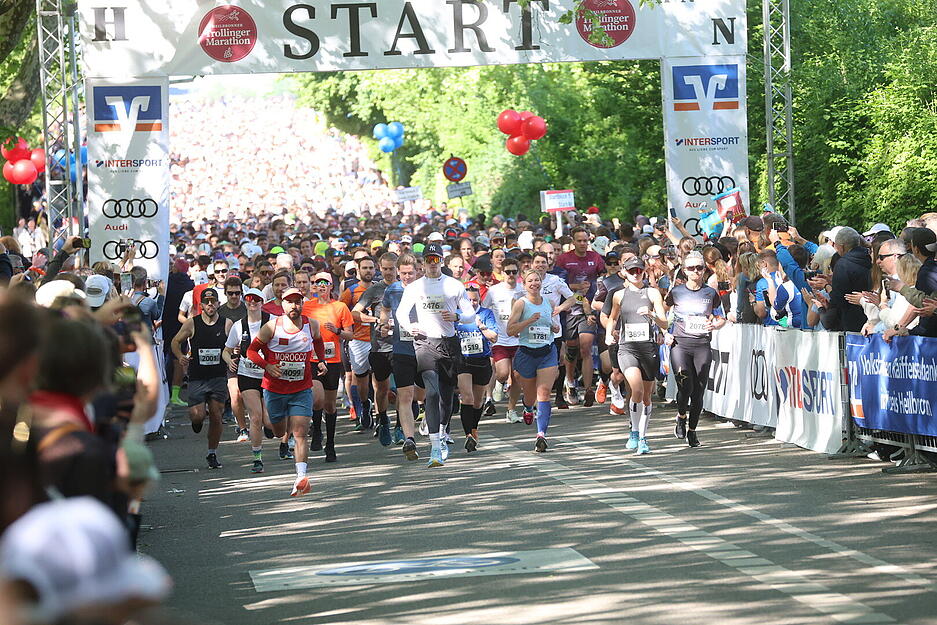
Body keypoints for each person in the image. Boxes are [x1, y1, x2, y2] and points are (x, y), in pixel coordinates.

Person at [395, 242, 475, 468]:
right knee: (431, 393)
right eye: (428, 260)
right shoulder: (415, 287)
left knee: (447, 398)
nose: (432, 264)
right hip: (424, 343)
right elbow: (401, 312)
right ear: (423, 263)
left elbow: (470, 313)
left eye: (436, 259)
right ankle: (434, 449)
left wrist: (457, 317)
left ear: (441, 261)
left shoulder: (454, 285)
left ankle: (441, 433)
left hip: (448, 343)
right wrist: (411, 327)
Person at [246, 287, 328, 496]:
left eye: (298, 301)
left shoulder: (312, 325)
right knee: (279, 431)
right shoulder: (272, 327)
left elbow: (318, 341)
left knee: (300, 432)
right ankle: (279, 430)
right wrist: (267, 366)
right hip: (275, 389)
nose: (294, 306)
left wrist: (320, 360)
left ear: (302, 303)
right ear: (282, 304)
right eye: (290, 302)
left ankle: (301, 477)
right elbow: (251, 351)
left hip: (301, 388)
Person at [606, 257, 669, 454]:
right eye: (631, 271)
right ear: (624, 272)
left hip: (648, 348)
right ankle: (635, 432)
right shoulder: (618, 295)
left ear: (643, 272)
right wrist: (609, 334)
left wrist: (652, 315)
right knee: (637, 391)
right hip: (628, 348)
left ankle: (643, 436)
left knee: (647, 397)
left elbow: (664, 323)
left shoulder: (652, 293)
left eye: (639, 271)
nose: (635, 274)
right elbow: (613, 318)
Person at [665, 251, 726, 447]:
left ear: (704, 270)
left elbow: (721, 317)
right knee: (685, 386)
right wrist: (666, 331)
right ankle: (681, 415)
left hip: (701, 345)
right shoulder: (676, 292)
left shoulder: (710, 293)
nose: (695, 272)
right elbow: (663, 313)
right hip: (680, 345)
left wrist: (716, 325)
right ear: (684, 271)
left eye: (699, 268)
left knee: (698, 391)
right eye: (691, 268)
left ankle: (692, 430)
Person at [507, 269, 564, 452]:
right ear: (524, 285)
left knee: (545, 393)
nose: (534, 283)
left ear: (542, 283)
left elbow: (551, 325)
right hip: (526, 354)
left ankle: (541, 435)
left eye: (537, 280)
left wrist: (554, 328)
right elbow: (510, 330)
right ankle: (528, 407)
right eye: (530, 281)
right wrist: (529, 321)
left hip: (547, 352)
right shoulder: (521, 304)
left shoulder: (550, 302)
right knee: (531, 397)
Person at [171, 288, 229, 469]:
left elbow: (234, 343)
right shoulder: (191, 323)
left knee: (216, 416)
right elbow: (175, 341)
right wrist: (180, 356)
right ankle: (196, 421)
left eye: (213, 301)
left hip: (218, 376)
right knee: (197, 416)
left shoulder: (227, 323)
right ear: (201, 305)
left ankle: (212, 453)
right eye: (207, 302)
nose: (210, 304)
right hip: (198, 377)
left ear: (219, 303)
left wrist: (235, 352)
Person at [302, 272, 354, 462]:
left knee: (330, 406)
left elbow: (350, 335)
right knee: (317, 400)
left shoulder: (340, 307)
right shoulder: (306, 306)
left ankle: (330, 445)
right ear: (313, 286)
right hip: (313, 359)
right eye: (317, 283)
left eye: (325, 283)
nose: (321, 286)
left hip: (332, 361)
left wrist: (337, 331)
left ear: (331, 286)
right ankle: (316, 430)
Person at [224, 287, 271, 473]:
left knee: (269, 421)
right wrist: (230, 362)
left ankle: (277, 433)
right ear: (245, 301)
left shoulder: (272, 322)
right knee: (256, 416)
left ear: (262, 302)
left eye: (256, 299)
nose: (252, 302)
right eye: (249, 298)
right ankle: (257, 457)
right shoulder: (238, 326)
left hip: (269, 375)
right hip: (247, 375)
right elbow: (226, 351)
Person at [555, 227, 604, 406]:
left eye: (585, 241)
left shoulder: (595, 258)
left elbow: (603, 277)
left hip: (588, 309)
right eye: (579, 241)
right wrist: (576, 286)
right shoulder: (564, 259)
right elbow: (558, 283)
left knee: (586, 348)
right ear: (573, 242)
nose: (583, 244)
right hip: (570, 309)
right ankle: (571, 383)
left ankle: (589, 389)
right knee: (572, 349)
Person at [352, 253, 398, 446]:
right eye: (385, 269)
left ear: (398, 268)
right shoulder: (375, 290)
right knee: (382, 389)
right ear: (380, 268)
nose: (388, 272)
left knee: (405, 389)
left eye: (391, 269)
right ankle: (383, 419)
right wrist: (377, 320)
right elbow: (355, 313)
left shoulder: (407, 288)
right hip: (380, 347)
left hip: (402, 345)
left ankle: (402, 427)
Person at [382, 253, 423, 460]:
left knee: (426, 395)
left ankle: (434, 428)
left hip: (426, 348)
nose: (407, 277)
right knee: (405, 396)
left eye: (411, 273)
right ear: (398, 272)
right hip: (402, 349)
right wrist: (384, 323)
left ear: (418, 271)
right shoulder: (393, 289)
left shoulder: (425, 289)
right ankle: (409, 439)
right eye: (404, 273)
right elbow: (385, 309)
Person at [482, 256, 526, 423]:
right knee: (502, 372)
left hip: (519, 340)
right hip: (500, 339)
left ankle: (511, 410)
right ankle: (499, 383)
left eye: (514, 272)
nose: (511, 275)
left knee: (517, 375)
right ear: (502, 272)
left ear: (518, 273)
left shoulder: (523, 290)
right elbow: (484, 310)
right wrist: (487, 330)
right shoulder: (494, 291)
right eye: (508, 272)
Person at [456, 285, 497, 451]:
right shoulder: (456, 315)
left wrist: (482, 326)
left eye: (475, 300)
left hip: (481, 360)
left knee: (478, 401)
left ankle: (474, 429)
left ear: (479, 299)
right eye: (468, 300)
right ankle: (468, 436)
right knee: (467, 398)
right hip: (463, 361)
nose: (472, 303)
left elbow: (494, 337)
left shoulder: (486, 314)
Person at [342, 256, 376, 430]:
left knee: (379, 377)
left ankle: (380, 413)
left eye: (371, 268)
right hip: (358, 340)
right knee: (360, 379)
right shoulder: (351, 291)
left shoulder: (381, 288)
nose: (368, 271)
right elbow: (341, 311)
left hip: (378, 339)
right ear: (358, 270)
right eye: (365, 268)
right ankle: (364, 404)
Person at [821, 227, 871, 331]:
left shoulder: (843, 264)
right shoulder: (870, 258)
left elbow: (838, 298)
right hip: (869, 317)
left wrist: (827, 286)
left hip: (849, 321)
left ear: (842, 246)